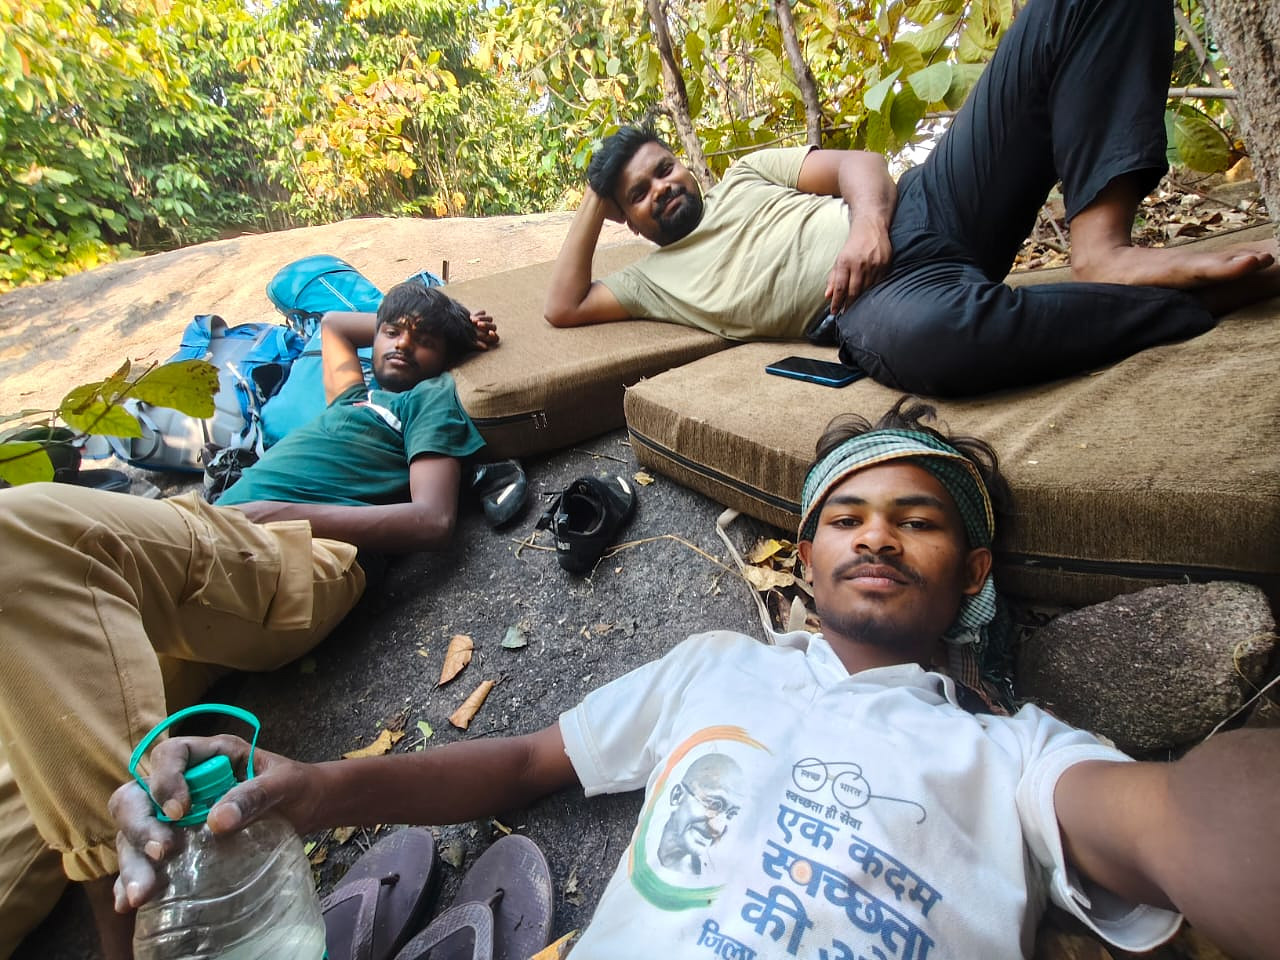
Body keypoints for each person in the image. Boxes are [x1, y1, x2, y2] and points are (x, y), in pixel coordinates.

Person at [112, 398, 1280, 959]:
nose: (874, 535)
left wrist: (1218, 801)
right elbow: (524, 762)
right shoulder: (716, 668)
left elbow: (1183, 820)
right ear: (804, 559)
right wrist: (316, 788)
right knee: (147, 897)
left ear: (972, 573)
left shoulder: (1011, 756)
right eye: (844, 519)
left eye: (916, 521)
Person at [0, 281, 499, 960]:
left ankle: (132, 890)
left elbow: (432, 520)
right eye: (393, 331)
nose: (403, 344)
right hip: (200, 559)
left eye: (425, 340)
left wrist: (279, 515)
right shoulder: (351, 397)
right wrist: (418, 318)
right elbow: (334, 323)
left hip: (290, 558)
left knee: (19, 528)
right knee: (40, 741)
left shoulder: (426, 398)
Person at [543, 0, 1280, 397]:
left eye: (664, 169)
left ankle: (1103, 248)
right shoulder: (651, 283)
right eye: (639, 194)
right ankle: (1196, 301)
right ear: (626, 219)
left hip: (928, 204)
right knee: (939, 344)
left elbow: (862, 163)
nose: (663, 188)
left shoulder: (745, 175)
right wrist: (595, 194)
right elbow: (562, 306)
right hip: (873, 304)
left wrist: (868, 222)